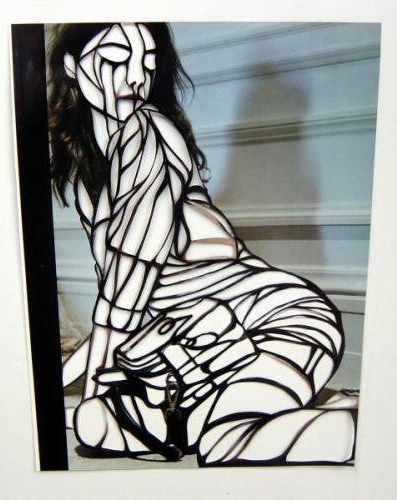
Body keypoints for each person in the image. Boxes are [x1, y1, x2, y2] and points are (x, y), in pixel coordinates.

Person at [49, 22, 357, 466]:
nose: (135, 77)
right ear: (72, 66)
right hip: (204, 344)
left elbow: (123, 298)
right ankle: (327, 405)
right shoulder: (88, 181)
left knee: (225, 445)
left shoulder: (146, 133)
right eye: (117, 58)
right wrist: (53, 387)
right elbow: (116, 312)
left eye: (148, 64)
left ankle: (373, 426)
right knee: (97, 423)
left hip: (276, 319)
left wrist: (95, 386)